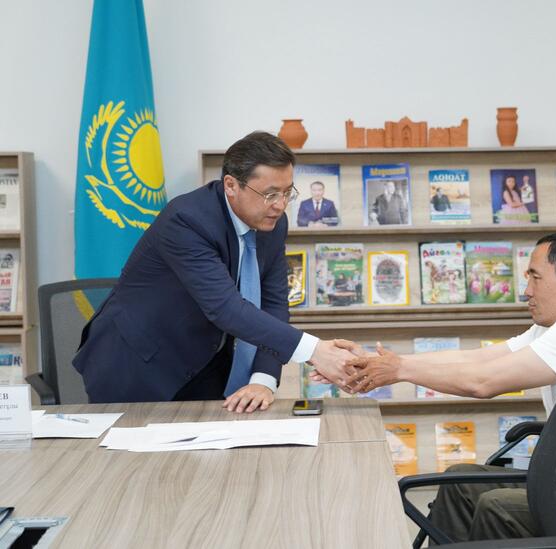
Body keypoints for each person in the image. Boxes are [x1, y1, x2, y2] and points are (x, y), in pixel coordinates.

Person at [341, 232, 556, 542]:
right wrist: (395, 362)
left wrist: (400, 370)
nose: (526, 290)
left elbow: (483, 383)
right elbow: (478, 360)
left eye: (535, 277)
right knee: (459, 482)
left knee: (497, 507)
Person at [73, 131, 357, 413]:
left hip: (205, 358)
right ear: (231, 185)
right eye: (270, 194)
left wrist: (263, 379)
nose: (280, 205)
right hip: (136, 362)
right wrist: (315, 351)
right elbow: (225, 308)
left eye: (287, 193)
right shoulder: (186, 220)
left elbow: (273, 304)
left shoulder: (273, 223)